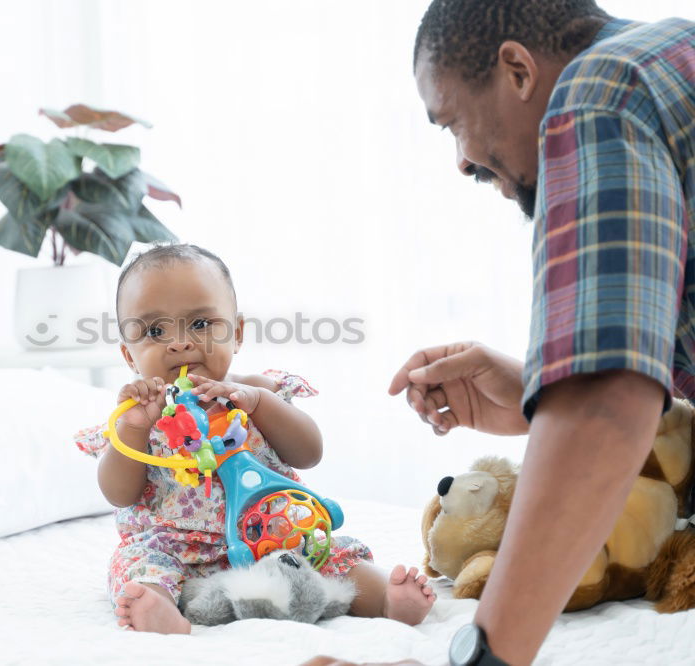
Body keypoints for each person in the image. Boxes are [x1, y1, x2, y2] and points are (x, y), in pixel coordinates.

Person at [306, 2, 694, 665]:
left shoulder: (597, 96)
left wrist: (483, 656)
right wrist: (536, 395)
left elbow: (605, 404)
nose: (461, 161)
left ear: (517, 69)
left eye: (452, 121)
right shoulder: (673, 52)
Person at [74, 243, 436, 634]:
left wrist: (261, 404)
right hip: (177, 547)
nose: (179, 343)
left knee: (329, 551)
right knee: (135, 562)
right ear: (129, 356)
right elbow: (118, 494)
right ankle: (159, 610)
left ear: (238, 333)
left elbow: (309, 452)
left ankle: (384, 598)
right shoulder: (138, 415)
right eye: (155, 330)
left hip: (272, 533)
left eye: (200, 324)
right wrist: (133, 429)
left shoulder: (255, 392)